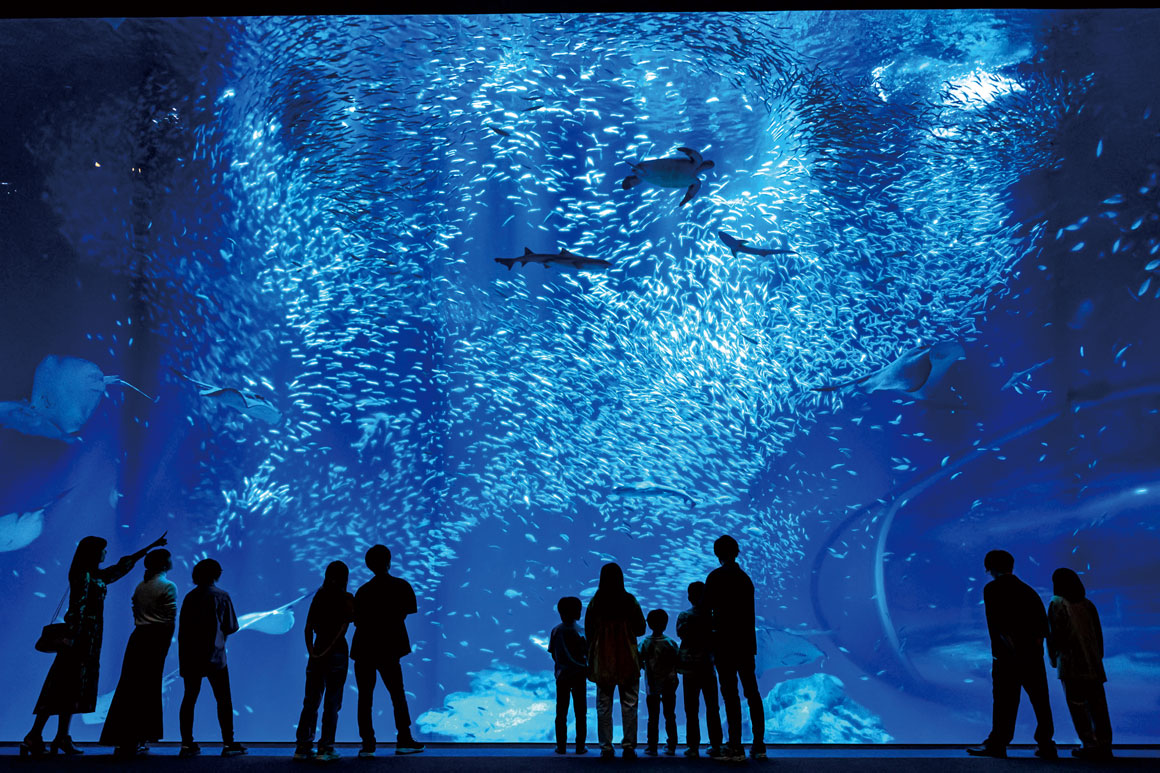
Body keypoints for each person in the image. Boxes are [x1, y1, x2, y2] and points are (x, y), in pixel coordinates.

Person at [22, 532, 167, 758]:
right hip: (79, 639)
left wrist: (151, 546)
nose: (105, 553)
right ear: (93, 552)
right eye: (102, 549)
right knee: (60, 685)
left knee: (71, 687)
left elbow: (122, 566)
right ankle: (35, 735)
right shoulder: (83, 575)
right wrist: (72, 635)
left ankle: (60, 736)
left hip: (88, 639)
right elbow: (78, 607)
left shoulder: (95, 575)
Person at [966, 549, 1056, 759]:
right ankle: (1046, 744)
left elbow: (999, 624)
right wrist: (1032, 650)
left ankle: (998, 743)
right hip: (1033, 657)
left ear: (989, 568)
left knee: (1004, 701)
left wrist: (1012, 650)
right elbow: (1043, 627)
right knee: (1041, 701)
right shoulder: (1029, 591)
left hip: (1007, 658)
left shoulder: (992, 590)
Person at [100, 548, 178, 757]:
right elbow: (169, 618)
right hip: (156, 639)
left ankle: (126, 737)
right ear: (163, 564)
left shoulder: (140, 586)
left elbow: (136, 612)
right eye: (169, 558)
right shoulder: (168, 586)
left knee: (129, 687)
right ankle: (139, 736)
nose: (172, 561)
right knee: (148, 688)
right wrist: (165, 645)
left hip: (137, 638)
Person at [352, 544, 424, 757]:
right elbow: (410, 609)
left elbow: (356, 619)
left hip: (364, 647)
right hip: (389, 648)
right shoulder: (401, 586)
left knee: (365, 697)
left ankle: (367, 744)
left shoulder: (363, 591)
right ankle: (404, 739)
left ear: (368, 565)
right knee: (397, 694)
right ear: (389, 561)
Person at [178, 558, 246, 758]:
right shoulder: (221, 596)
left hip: (190, 656)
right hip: (215, 656)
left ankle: (186, 743)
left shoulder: (189, 597)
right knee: (223, 699)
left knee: (189, 698)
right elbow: (232, 626)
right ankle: (228, 743)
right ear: (217, 574)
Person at [705, 534, 765, 761]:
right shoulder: (745, 579)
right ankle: (759, 745)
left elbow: (706, 609)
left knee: (730, 695)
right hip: (745, 644)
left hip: (723, 644)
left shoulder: (715, 577)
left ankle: (735, 746)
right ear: (737, 552)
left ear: (716, 553)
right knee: (752, 693)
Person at [1047, 568, 1113, 760]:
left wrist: (1053, 658)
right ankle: (1105, 745)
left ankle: (1090, 745)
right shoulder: (1088, 604)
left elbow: (1054, 635)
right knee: (1099, 705)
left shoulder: (1056, 602)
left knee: (1078, 705)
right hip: (1092, 662)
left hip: (1071, 663)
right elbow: (1098, 635)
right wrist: (1098, 656)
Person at [294, 561, 355, 762]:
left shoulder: (319, 596)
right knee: (332, 702)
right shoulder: (347, 598)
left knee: (310, 700)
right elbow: (343, 628)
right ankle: (325, 748)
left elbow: (307, 627)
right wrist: (327, 650)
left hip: (317, 649)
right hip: (336, 653)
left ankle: (303, 747)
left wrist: (312, 651)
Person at [584, 562, 646, 759]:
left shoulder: (596, 603)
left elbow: (589, 632)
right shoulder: (630, 601)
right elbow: (641, 629)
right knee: (630, 704)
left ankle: (606, 747)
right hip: (628, 658)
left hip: (603, 661)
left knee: (604, 705)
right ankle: (629, 747)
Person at [676, 581, 723, 759]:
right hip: (708, 667)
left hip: (690, 669)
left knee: (691, 708)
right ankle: (716, 744)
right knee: (712, 707)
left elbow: (681, 634)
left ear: (689, 597)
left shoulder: (684, 616)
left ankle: (693, 746)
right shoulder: (712, 617)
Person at [547, 596, 588, 755]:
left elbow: (553, 654)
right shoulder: (582, 632)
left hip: (562, 676)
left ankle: (561, 746)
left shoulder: (556, 631)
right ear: (578, 612)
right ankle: (580, 747)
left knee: (561, 712)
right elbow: (587, 653)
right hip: (579, 676)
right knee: (580, 712)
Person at [639, 609, 679, 756]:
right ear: (666, 624)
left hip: (652, 685)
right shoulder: (671, 643)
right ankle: (672, 746)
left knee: (653, 716)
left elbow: (638, 660)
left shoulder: (645, 643)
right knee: (670, 715)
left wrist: (645, 667)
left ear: (648, 624)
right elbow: (677, 661)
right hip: (670, 684)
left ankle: (652, 746)